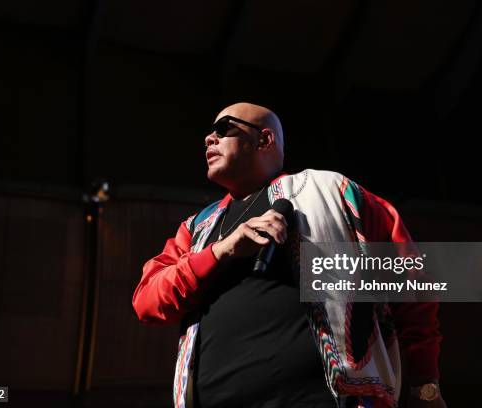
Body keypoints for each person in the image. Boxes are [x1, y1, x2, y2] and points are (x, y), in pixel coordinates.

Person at [132, 102, 445, 408]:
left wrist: (424, 385)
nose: (208, 138)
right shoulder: (198, 228)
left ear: (265, 139)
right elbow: (147, 302)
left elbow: (412, 283)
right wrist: (222, 250)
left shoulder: (333, 192)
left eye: (224, 129)